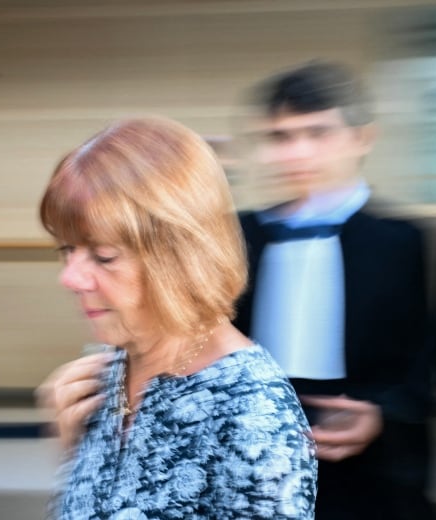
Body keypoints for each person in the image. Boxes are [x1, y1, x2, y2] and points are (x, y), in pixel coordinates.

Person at [40, 117, 317, 519]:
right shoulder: (117, 359)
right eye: (67, 250)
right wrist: (71, 449)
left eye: (103, 256)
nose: (70, 277)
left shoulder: (252, 416)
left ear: (179, 255)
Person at [234, 60, 436, 519]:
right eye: (280, 137)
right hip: (259, 460)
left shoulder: (407, 239)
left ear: (362, 137)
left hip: (373, 470)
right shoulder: (237, 235)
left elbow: (429, 362)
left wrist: (383, 414)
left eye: (317, 133)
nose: (297, 153)